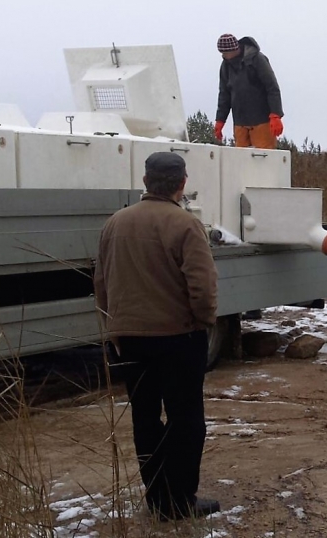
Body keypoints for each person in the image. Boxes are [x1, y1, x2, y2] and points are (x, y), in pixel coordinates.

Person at [93, 151, 220, 521]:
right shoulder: (185, 225)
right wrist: (204, 322)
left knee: (145, 418)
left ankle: (158, 499)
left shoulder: (114, 223)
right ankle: (180, 500)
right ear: (182, 184)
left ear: (146, 182)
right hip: (178, 338)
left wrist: (114, 325)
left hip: (129, 338)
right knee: (186, 420)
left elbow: (102, 281)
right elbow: (203, 287)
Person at [214, 33, 284, 149]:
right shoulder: (225, 66)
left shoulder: (257, 59)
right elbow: (224, 95)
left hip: (262, 122)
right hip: (240, 123)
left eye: (226, 53)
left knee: (263, 160)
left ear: (235, 49)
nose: (224, 56)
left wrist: (275, 115)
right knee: (241, 162)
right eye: (222, 53)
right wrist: (220, 120)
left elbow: (272, 87)